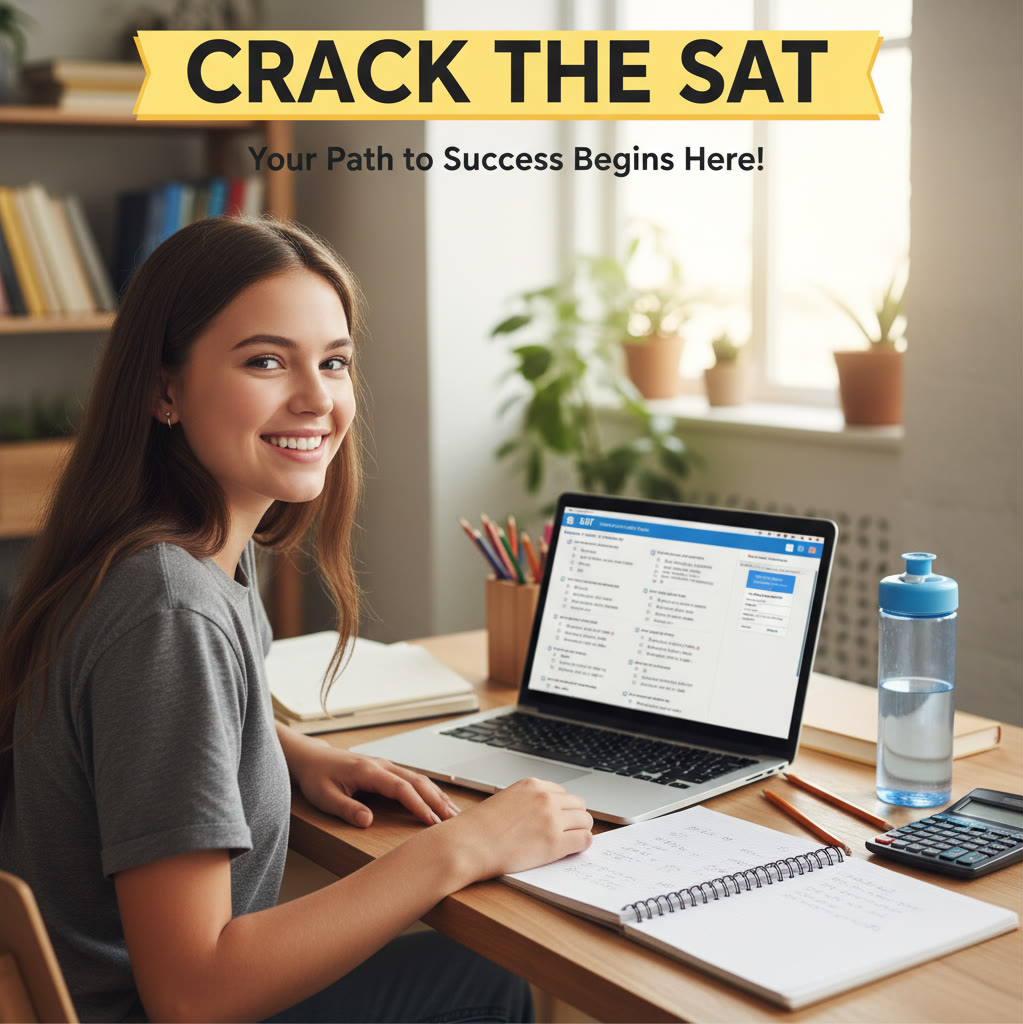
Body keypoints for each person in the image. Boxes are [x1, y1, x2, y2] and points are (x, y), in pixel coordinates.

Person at [0, 217, 593, 1023]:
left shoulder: (173, 553)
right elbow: (192, 993)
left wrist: (289, 750)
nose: (317, 398)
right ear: (164, 389)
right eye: (267, 361)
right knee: (481, 982)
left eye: (334, 362)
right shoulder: (170, 609)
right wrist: (463, 846)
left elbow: (134, 729)